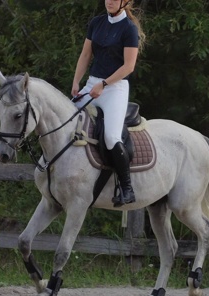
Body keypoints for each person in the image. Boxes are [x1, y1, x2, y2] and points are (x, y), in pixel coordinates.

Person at [71, 0, 145, 207]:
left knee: (112, 137)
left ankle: (127, 188)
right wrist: (77, 81)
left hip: (115, 88)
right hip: (91, 85)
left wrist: (104, 84)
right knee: (64, 119)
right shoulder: (96, 22)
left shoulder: (129, 29)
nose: (109, 1)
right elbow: (86, 54)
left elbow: (129, 66)